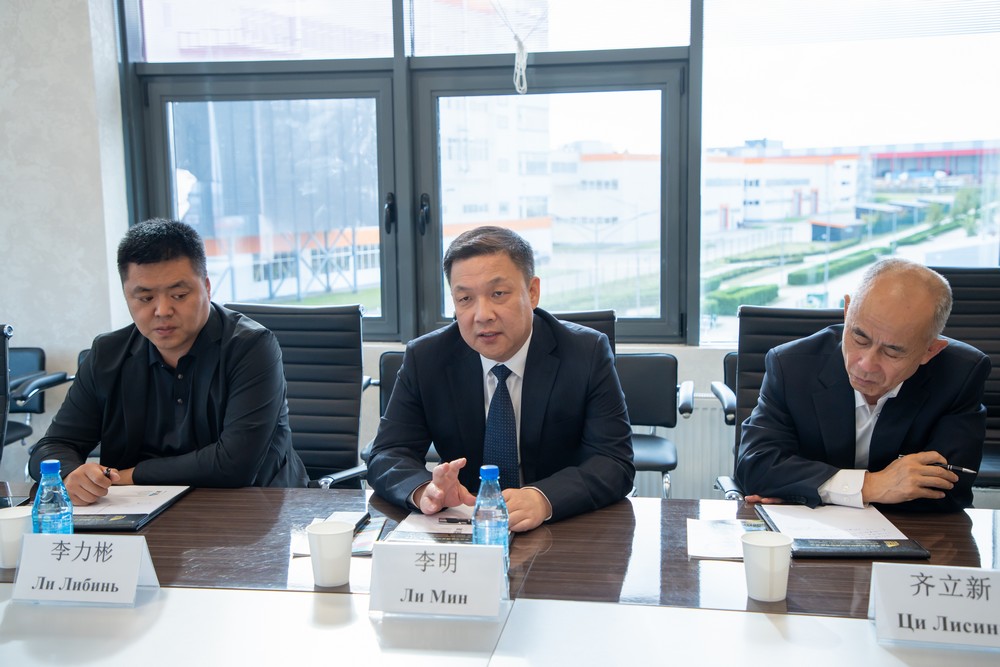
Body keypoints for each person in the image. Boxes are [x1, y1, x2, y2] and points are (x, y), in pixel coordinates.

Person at [366, 226, 635, 532]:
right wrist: (426, 490)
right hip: (468, 526)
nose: (482, 315)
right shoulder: (426, 358)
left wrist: (543, 498)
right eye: (465, 298)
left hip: (562, 527)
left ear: (532, 292)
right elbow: (387, 454)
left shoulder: (586, 352)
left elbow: (614, 461)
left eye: (498, 294)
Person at [29, 219, 308, 504]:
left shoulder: (251, 347)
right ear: (127, 296)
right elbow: (51, 447)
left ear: (207, 287)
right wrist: (70, 475)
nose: (162, 310)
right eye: (145, 298)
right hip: (137, 513)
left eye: (179, 295)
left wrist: (128, 476)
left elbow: (235, 464)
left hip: (251, 509)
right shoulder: (107, 354)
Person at [735, 257, 990, 512]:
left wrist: (805, 491)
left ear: (930, 351)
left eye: (892, 352)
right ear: (847, 311)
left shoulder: (960, 375)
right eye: (860, 338)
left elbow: (947, 492)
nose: (866, 365)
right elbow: (755, 468)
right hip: (809, 528)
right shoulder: (791, 366)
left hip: (910, 532)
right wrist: (871, 486)